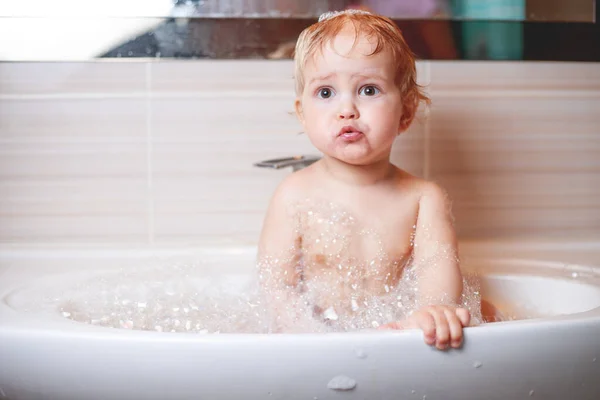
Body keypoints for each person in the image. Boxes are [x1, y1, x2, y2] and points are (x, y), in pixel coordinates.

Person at [257, 9, 477, 350]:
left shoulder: (422, 199)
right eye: (326, 93)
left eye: (369, 90)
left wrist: (433, 312)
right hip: (317, 343)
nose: (347, 109)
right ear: (303, 112)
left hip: (394, 339)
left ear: (405, 112)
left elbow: (439, 279)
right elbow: (278, 287)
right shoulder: (293, 195)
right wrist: (304, 335)